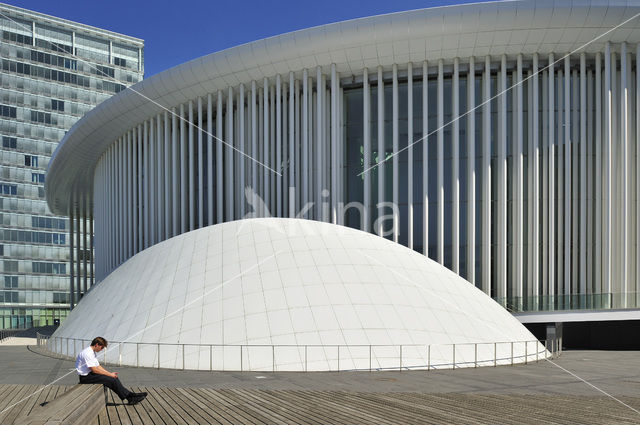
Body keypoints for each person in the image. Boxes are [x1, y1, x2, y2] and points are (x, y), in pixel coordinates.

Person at [76, 337, 147, 405]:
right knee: (111, 380)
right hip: (86, 378)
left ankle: (130, 396)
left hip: (90, 375)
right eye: (102, 347)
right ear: (97, 345)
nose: (102, 349)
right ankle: (130, 397)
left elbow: (98, 366)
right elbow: (94, 370)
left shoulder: (92, 352)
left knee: (114, 378)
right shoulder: (87, 353)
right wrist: (109, 375)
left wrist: (109, 373)